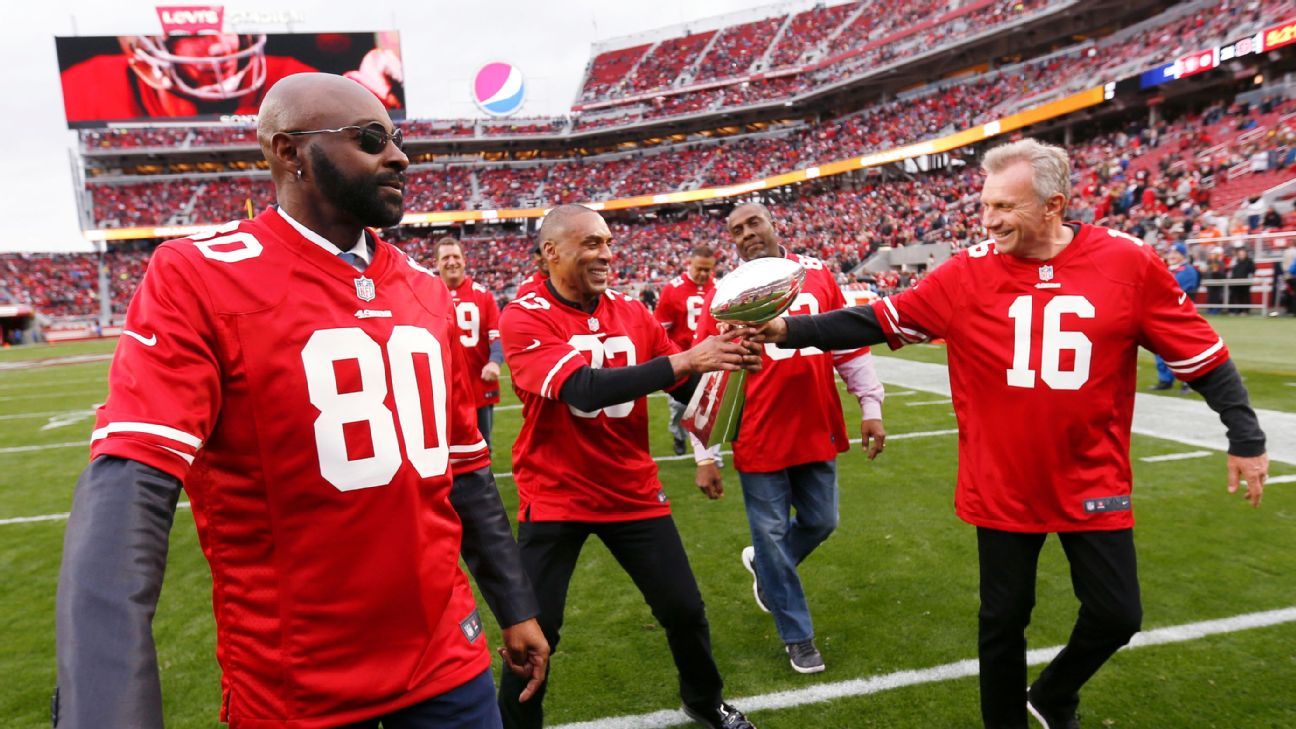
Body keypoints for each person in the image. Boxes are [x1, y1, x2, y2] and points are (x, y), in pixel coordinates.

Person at [55, 73, 548, 729]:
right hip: (299, 683)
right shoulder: (199, 275)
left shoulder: (427, 292)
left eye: (396, 139)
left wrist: (514, 605)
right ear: (289, 153)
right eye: (370, 139)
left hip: (445, 662)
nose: (397, 156)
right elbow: (130, 476)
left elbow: (464, 471)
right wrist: (104, 708)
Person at [750, 139, 1268, 729]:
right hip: (1001, 479)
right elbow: (875, 318)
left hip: (1091, 473)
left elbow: (1202, 356)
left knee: (1117, 614)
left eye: (1005, 207)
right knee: (1003, 621)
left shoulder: (1128, 262)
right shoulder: (966, 273)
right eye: (986, 205)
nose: (990, 220)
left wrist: (1245, 436)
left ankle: (1051, 693)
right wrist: (784, 328)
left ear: (1054, 205)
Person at [498, 204, 760, 729]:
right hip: (556, 494)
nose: (606, 254)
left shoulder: (632, 313)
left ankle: (704, 700)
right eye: (591, 243)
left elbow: (687, 388)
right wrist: (687, 359)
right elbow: (583, 388)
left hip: (631, 490)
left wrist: (732, 359)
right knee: (535, 632)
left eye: (608, 242)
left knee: (684, 610)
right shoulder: (523, 313)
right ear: (551, 251)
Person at [693, 202, 885, 675]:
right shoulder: (725, 293)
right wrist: (706, 452)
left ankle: (767, 569)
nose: (747, 234)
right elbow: (708, 373)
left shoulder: (816, 275)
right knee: (773, 536)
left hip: (815, 423)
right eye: (737, 230)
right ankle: (797, 636)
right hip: (759, 432)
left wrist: (871, 405)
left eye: (754, 223)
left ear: (774, 224)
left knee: (822, 521)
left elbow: (847, 342)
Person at [60, 34, 402, 123]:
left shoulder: (286, 75)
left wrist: (374, 91)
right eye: (194, 35)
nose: (220, 47)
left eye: (227, 30)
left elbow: (340, 103)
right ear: (146, 55)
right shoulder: (86, 88)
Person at [437, 237, 505, 448]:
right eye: (445, 258)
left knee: (483, 447)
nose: (452, 262)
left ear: (465, 261)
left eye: (456, 256)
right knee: (445, 451)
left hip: (478, 386)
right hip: (442, 390)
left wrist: (494, 361)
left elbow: (497, 334)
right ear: (437, 264)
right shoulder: (429, 294)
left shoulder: (483, 295)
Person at [654, 244, 718, 456]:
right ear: (689, 264)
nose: (703, 274)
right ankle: (678, 435)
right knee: (680, 409)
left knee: (711, 409)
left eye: (707, 270)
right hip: (682, 359)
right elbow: (660, 328)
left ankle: (711, 455)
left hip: (711, 359)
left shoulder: (718, 286)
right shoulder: (672, 289)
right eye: (699, 268)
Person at [1151, 243, 1202, 392]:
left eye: (1175, 253)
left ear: (1182, 255)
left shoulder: (1187, 271)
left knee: (1182, 349)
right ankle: (1165, 380)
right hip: (1163, 313)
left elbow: (1170, 289)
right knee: (1160, 348)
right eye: (1170, 253)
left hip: (1180, 314)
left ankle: (1188, 381)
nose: (1171, 256)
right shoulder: (1168, 269)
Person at [1227, 245, 1255, 315]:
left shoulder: (1249, 261)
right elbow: (1231, 271)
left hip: (1245, 283)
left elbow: (1252, 271)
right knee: (1235, 296)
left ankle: (1245, 311)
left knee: (1245, 296)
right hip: (1235, 282)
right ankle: (1235, 311)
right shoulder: (1235, 261)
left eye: (1243, 254)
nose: (1241, 255)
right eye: (1240, 254)